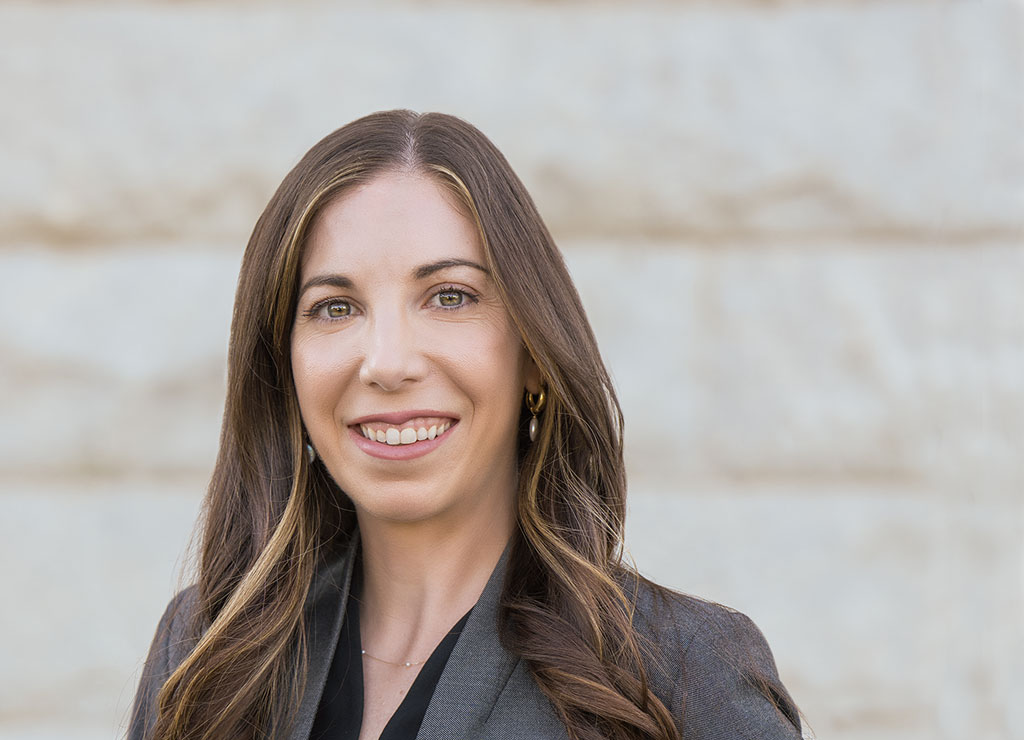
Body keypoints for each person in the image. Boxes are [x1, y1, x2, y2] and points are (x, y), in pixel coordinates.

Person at [124, 111, 805, 740]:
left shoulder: (683, 676)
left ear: (534, 355)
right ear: (285, 367)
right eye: (335, 307)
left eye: (450, 297)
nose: (387, 363)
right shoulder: (206, 657)